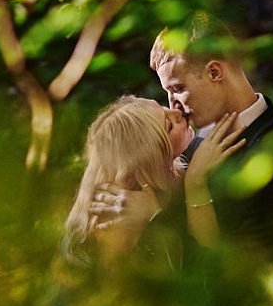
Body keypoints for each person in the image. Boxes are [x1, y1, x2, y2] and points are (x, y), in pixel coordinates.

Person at [90, 21, 273, 250]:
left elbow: (236, 269)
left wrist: (152, 219)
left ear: (215, 72)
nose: (172, 105)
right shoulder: (185, 138)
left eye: (178, 89)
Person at [63, 96, 247, 269]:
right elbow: (203, 272)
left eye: (164, 108)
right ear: (152, 161)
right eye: (169, 126)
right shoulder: (113, 220)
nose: (178, 113)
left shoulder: (174, 174)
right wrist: (156, 215)